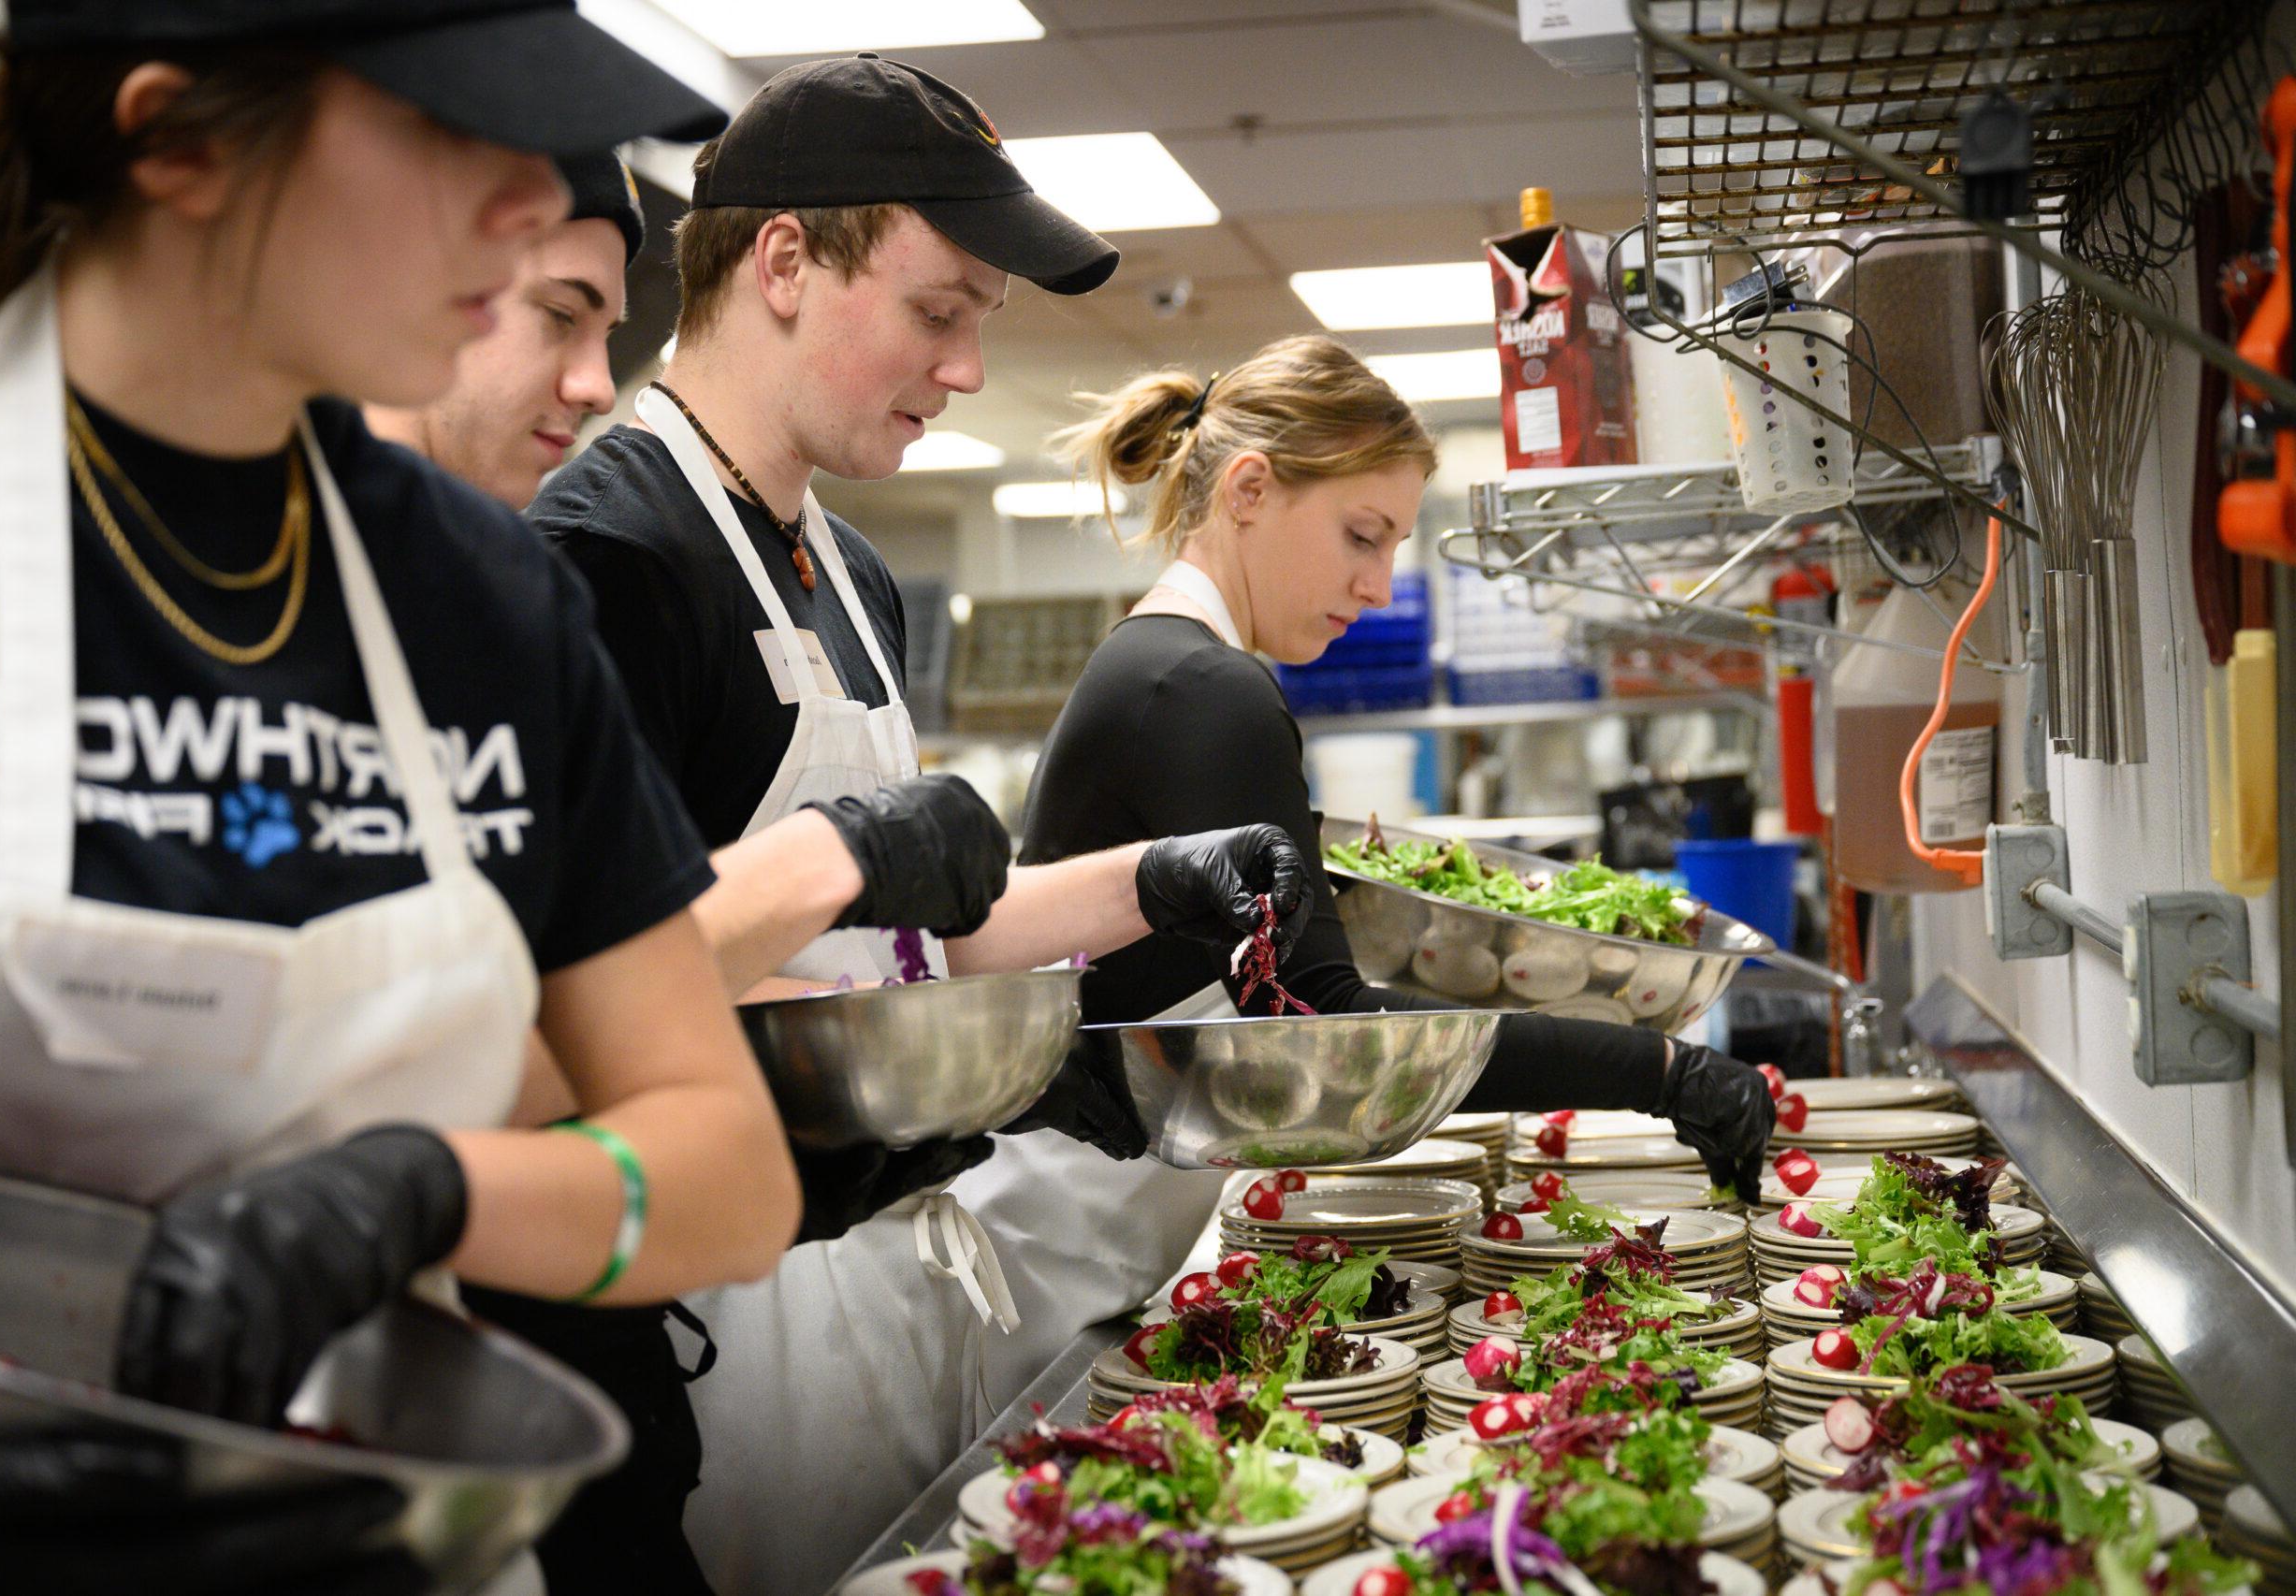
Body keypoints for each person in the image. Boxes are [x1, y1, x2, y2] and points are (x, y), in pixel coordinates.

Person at [0, 4, 821, 1589]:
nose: (531, 201)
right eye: (448, 128)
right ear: (179, 137)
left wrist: (423, 1186)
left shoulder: (477, 599)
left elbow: (726, 1174)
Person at [524, 55, 1308, 1595]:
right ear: (785, 261)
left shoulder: (853, 575)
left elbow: (914, 924)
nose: (961, 368)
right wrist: (988, 1063)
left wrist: (1146, 890)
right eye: (941, 309)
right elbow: (603, 1006)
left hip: (891, 1251)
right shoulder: (609, 560)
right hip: (734, 1303)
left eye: (980, 328)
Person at [358, 140, 1035, 1593]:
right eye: (550, 310)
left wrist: (1141, 892)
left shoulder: (513, 596)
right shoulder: (599, 551)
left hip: (651, 1304)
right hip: (593, 1333)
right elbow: (557, 1038)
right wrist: (829, 874)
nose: (595, 379)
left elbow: (571, 1045)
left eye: (606, 324)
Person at [1025, 334, 1778, 1169]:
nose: (1379, 588)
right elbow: (1322, 1023)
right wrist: (1661, 1070)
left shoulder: (1163, 665)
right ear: (1249, 490)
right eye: (1361, 536)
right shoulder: (1205, 688)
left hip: (1096, 1200)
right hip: (1062, 1223)